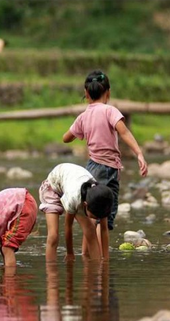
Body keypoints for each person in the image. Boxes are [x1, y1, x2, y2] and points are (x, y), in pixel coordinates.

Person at [62, 70, 148, 246]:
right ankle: (101, 260)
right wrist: (139, 153)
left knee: (91, 214)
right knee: (104, 218)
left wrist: (75, 132)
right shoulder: (110, 111)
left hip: (91, 169)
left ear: (86, 93)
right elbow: (124, 132)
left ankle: (88, 256)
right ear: (108, 92)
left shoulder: (83, 116)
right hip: (109, 170)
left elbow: (66, 138)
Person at [39, 163, 114, 262]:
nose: (97, 219)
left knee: (91, 229)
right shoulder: (73, 199)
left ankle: (96, 267)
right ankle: (51, 273)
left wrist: (106, 260)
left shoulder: (102, 200)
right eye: (95, 216)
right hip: (52, 187)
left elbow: (104, 229)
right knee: (53, 236)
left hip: (71, 183)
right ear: (85, 205)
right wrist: (70, 253)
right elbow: (68, 225)